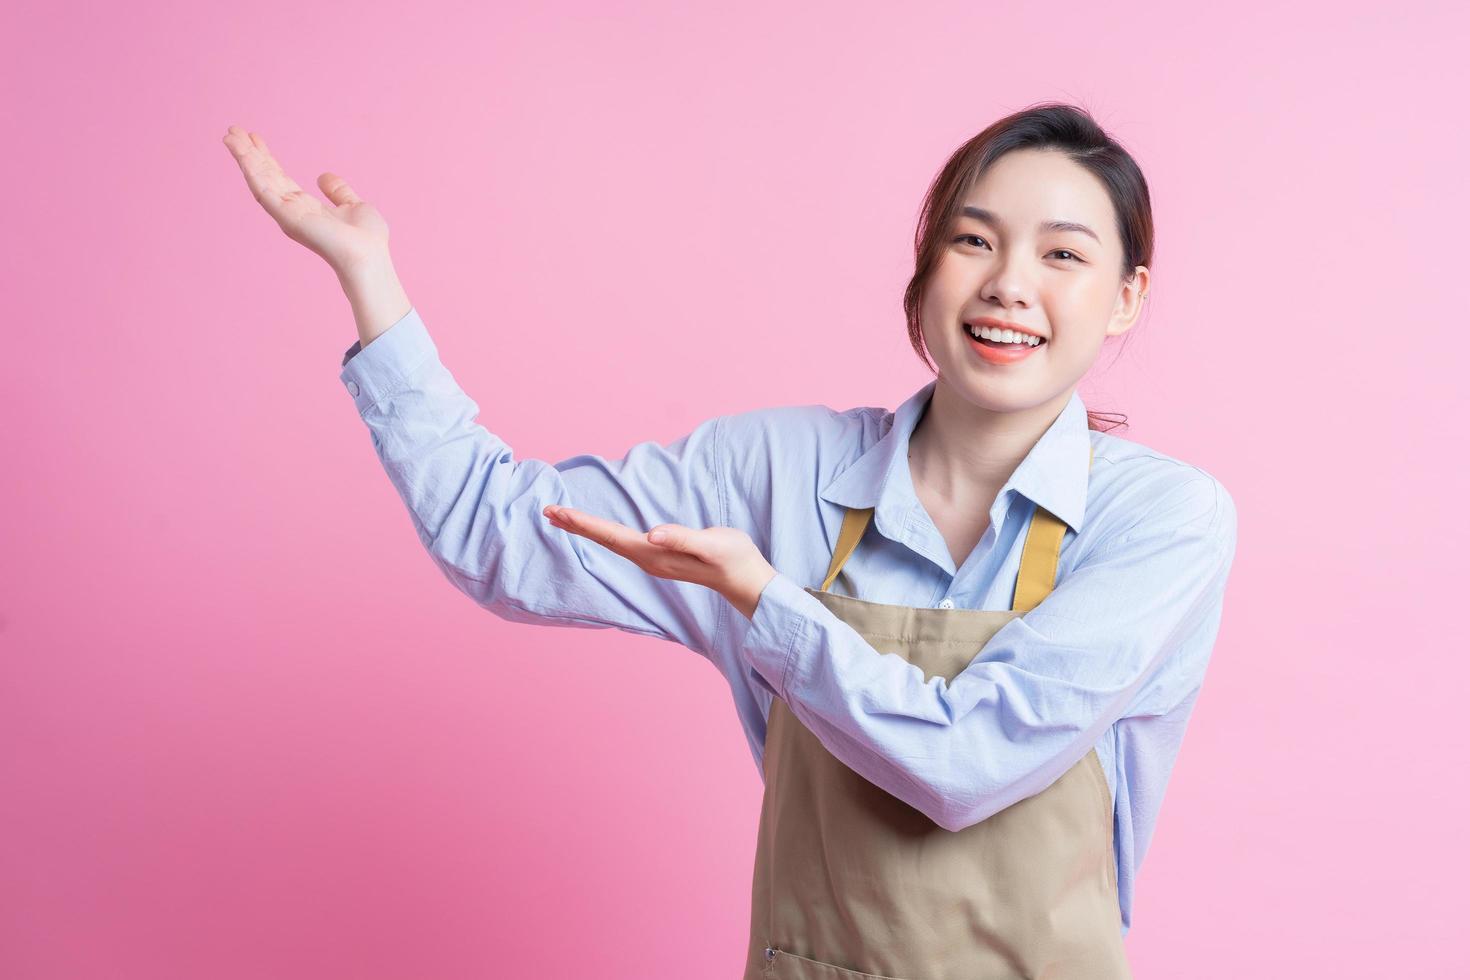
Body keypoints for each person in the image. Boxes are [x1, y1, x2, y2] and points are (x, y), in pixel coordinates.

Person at [223, 101, 1237, 978]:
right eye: (974, 240)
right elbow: (503, 537)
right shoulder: (778, 475)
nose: (1010, 284)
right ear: (927, 268)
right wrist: (373, 284)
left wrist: (769, 605)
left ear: (1127, 298)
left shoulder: (1160, 520)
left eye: (1063, 253)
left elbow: (969, 761)